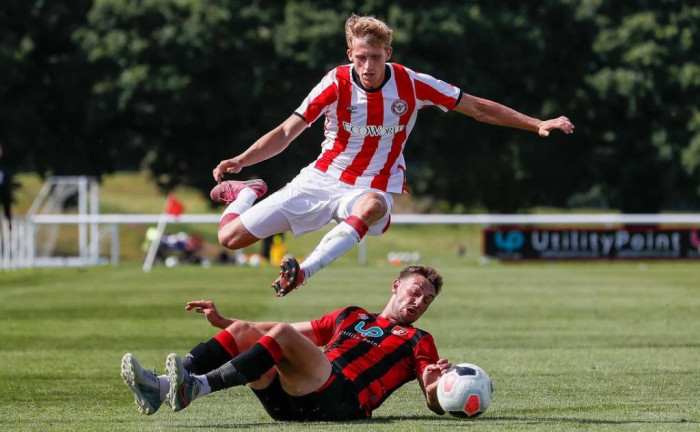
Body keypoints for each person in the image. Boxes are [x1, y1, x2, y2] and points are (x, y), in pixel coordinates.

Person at [210, 14, 575, 296]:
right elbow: (288, 131)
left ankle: (303, 272)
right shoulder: (335, 82)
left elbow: (477, 107)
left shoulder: (412, 83)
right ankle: (248, 191)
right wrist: (243, 160)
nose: (368, 66)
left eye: (375, 57)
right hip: (321, 178)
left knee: (370, 207)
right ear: (350, 54)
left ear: (389, 53)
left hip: (374, 184)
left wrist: (535, 123)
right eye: (361, 57)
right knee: (230, 238)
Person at [121, 264, 451, 420]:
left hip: (343, 402)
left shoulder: (418, 340)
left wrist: (435, 388)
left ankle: (197, 386)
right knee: (248, 331)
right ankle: (163, 387)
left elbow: (433, 402)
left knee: (279, 334)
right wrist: (226, 323)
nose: (419, 302)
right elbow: (282, 332)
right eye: (416, 292)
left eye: (428, 300)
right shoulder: (352, 315)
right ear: (396, 286)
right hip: (292, 403)